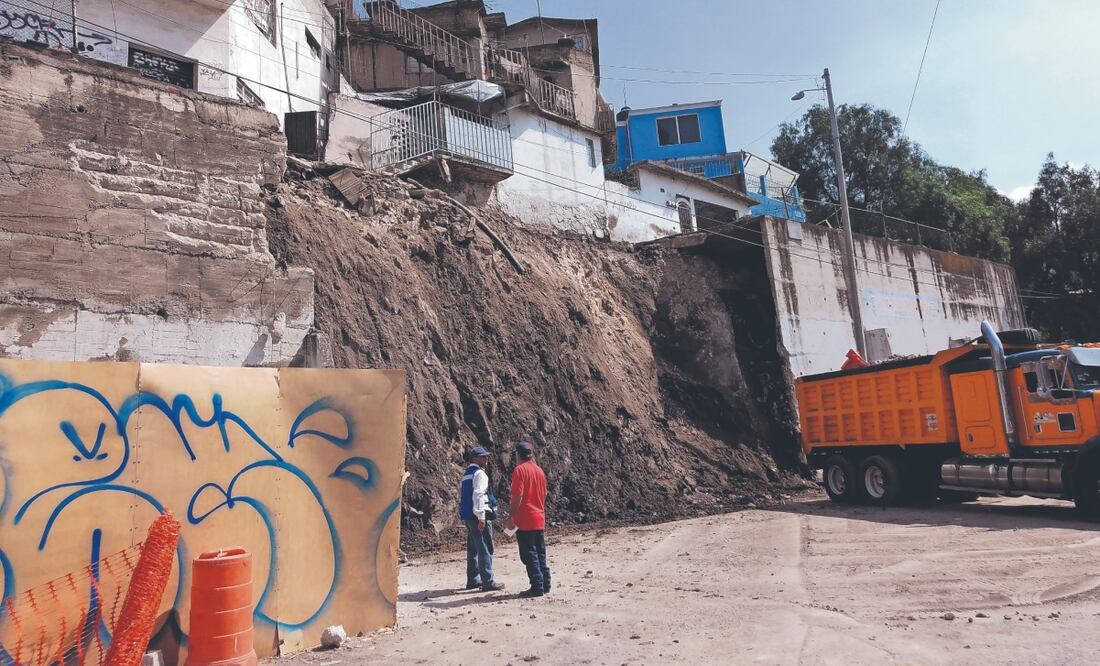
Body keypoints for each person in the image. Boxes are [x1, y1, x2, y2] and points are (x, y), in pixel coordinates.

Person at [507, 440, 551, 598]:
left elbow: (517, 496)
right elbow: (544, 494)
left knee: (529, 554)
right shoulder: (539, 471)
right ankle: (545, 583)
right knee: (540, 553)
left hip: (525, 519)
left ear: (517, 454)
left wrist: (512, 516)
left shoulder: (519, 470)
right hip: (539, 517)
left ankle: (537, 586)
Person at [459, 446, 505, 592]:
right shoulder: (480, 474)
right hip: (478, 515)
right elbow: (478, 495)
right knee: (485, 547)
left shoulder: (466, 474)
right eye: (483, 457)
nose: (486, 459)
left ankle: (473, 580)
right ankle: (488, 581)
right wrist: (481, 517)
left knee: (473, 548)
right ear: (475, 458)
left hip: (468, 515)